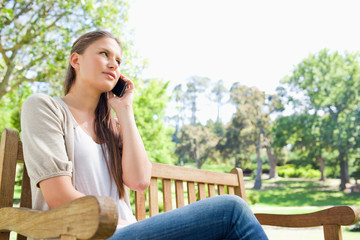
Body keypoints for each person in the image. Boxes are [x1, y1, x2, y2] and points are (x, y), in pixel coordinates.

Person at [21, 30, 268, 240]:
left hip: (127, 232)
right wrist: (111, 219)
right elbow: (58, 196)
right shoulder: (44, 107)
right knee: (231, 210)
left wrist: (125, 110)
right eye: (104, 54)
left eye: (118, 60)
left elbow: (139, 181)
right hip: (85, 235)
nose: (113, 64)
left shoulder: (113, 126)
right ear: (76, 60)